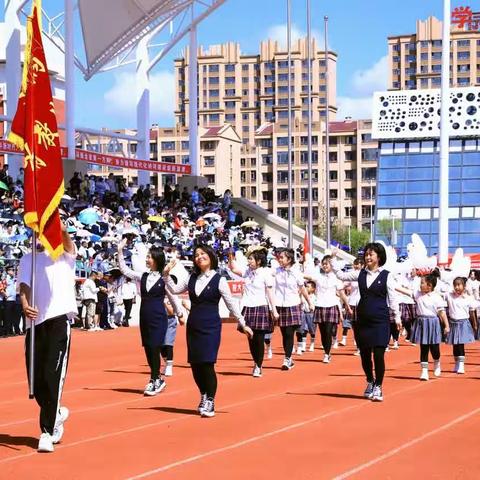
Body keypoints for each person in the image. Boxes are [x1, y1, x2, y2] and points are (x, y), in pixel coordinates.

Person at [163, 244, 253, 418]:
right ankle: (203, 394)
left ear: (211, 256)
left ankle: (210, 399)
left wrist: (243, 323)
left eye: (203, 253)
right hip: (194, 325)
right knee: (195, 364)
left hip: (211, 326)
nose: (199, 257)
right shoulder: (191, 278)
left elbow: (231, 304)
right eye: (196, 255)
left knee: (207, 363)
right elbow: (173, 289)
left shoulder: (219, 279)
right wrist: (166, 274)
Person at [18, 221, 77, 453]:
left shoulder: (64, 256)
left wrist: (57, 225)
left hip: (58, 322)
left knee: (52, 377)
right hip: (35, 323)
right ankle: (57, 412)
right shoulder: (27, 259)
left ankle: (46, 430)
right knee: (37, 381)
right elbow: (24, 286)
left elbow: (67, 240)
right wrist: (24, 303)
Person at [333, 243, 401, 402]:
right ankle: (370, 380)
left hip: (381, 320)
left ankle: (378, 386)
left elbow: (393, 298)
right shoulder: (359, 274)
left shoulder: (387, 275)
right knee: (364, 355)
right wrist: (334, 257)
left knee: (378, 354)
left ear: (379, 257)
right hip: (362, 319)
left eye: (371, 254)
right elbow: (341, 275)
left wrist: (397, 317)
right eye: (367, 254)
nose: (368, 257)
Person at [118, 239, 183, 396]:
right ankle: (157, 378)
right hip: (144, 316)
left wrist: (179, 313)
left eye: (150, 257)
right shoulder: (143, 275)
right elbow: (125, 270)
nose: (147, 259)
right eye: (147, 256)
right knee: (148, 347)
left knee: (154, 346)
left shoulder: (164, 278)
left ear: (157, 259)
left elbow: (173, 297)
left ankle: (155, 378)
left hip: (158, 317)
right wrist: (120, 251)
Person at [228, 247, 278, 378]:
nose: (249, 261)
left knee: (259, 339)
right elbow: (233, 268)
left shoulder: (265, 273)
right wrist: (230, 255)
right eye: (248, 258)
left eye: (251, 259)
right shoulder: (247, 272)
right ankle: (255, 361)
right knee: (250, 338)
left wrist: (274, 310)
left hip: (261, 307)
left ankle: (258, 365)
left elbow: (270, 292)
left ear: (259, 261)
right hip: (248, 308)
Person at [397, 271, 449, 381]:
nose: (420, 285)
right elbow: (404, 291)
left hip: (433, 322)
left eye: (422, 283)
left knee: (434, 348)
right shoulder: (417, 294)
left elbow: (441, 312)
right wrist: (392, 284)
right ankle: (424, 371)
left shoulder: (436, 297)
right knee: (424, 347)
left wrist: (446, 326)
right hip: (421, 322)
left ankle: (437, 362)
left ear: (429, 286)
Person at [305, 255, 351, 364]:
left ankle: (327, 353)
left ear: (332, 265)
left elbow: (342, 293)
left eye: (327, 263)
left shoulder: (336, 278)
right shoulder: (319, 276)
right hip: (320, 306)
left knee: (328, 331)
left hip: (331, 306)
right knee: (322, 332)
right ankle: (326, 351)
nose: (325, 265)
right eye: (323, 263)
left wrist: (347, 306)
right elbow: (307, 277)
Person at [274, 248, 314, 371]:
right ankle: (289, 358)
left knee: (289, 333)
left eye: (282, 257)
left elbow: (302, 289)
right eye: (279, 257)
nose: (279, 260)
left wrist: (309, 302)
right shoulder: (275, 271)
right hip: (280, 305)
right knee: (283, 333)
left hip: (293, 304)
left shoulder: (296, 272)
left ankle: (287, 358)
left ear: (289, 259)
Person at [445, 277, 477, 374]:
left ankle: (461, 365)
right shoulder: (449, 296)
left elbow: (472, 313)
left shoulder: (468, 298)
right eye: (455, 285)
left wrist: (474, 324)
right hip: (453, 322)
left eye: (459, 285)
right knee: (455, 344)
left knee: (460, 344)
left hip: (463, 322)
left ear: (464, 286)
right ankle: (456, 363)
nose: (457, 287)